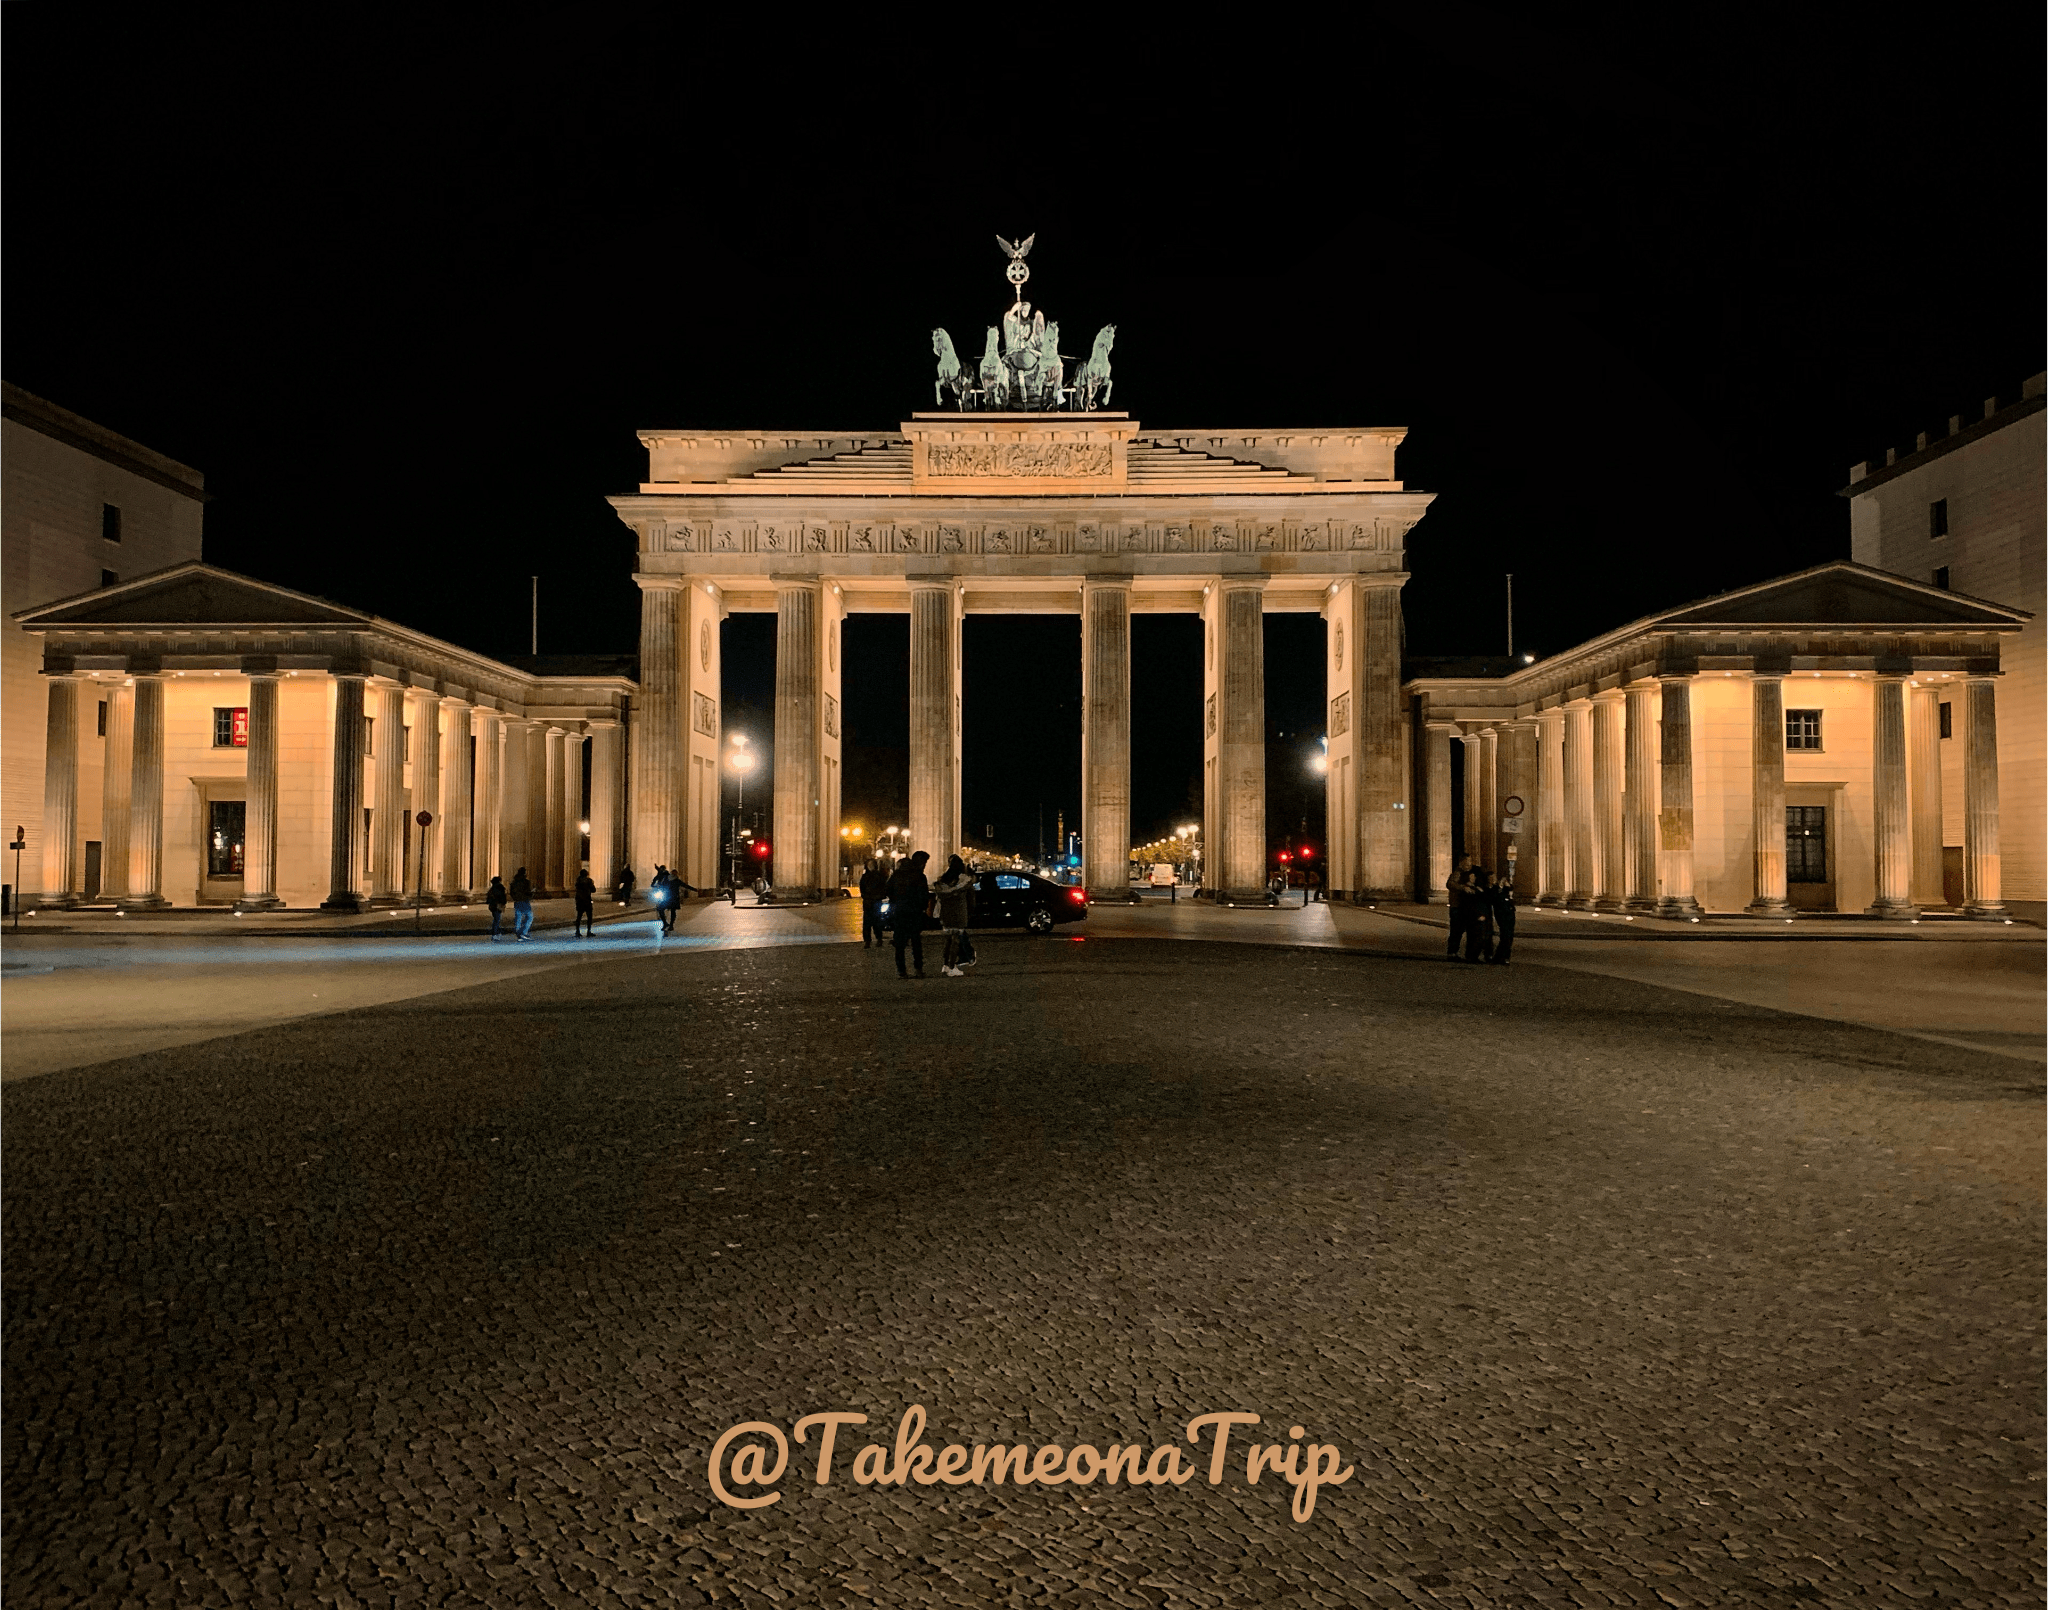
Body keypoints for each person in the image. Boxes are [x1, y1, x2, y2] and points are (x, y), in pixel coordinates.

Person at [886, 850, 932, 979]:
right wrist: (922, 907)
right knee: (916, 941)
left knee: (900, 943)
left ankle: (901, 970)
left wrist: (896, 901)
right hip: (914, 912)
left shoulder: (897, 875)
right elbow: (924, 895)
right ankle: (918, 968)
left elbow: (888, 890)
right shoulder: (919, 876)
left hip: (899, 911)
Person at [933, 854, 979, 976]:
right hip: (959, 911)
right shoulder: (964, 880)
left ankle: (945, 965)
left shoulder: (943, 879)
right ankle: (952, 967)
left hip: (946, 911)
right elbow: (970, 897)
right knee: (956, 940)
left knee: (948, 940)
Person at [1445, 855, 1477, 959]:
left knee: (1460, 930)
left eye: (1470, 863)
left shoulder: (1466, 874)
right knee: (1456, 930)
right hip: (1457, 906)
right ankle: (1452, 952)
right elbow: (1450, 884)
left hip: (1462, 906)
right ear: (1461, 863)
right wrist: (1463, 887)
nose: (1469, 865)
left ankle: (1456, 951)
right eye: (1467, 863)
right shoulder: (1457, 873)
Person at [1464, 869, 1497, 963]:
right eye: (1471, 877)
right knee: (1478, 936)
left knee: (1486, 936)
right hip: (1478, 914)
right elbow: (1474, 903)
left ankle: (1485, 955)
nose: (1473, 878)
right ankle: (1473, 956)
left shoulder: (1478, 887)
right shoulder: (1470, 889)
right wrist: (1479, 914)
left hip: (1485, 913)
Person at [857, 859, 889, 948]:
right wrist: (865, 895)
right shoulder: (866, 876)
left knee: (877, 922)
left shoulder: (879, 876)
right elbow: (862, 888)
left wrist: (879, 896)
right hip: (868, 902)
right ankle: (867, 940)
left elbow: (883, 888)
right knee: (867, 922)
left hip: (875, 901)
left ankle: (879, 939)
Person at [1489, 870, 1518, 965]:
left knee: (1509, 936)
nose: (1494, 879)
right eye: (1492, 878)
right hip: (1501, 914)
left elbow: (1510, 888)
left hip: (1509, 913)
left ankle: (1503, 956)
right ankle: (1501, 957)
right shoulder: (1493, 889)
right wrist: (1501, 886)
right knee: (1505, 935)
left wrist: (1507, 885)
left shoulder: (1500, 888)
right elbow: (1496, 898)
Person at [510, 866, 535, 940]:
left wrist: (515, 898)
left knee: (518, 918)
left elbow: (511, 892)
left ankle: (518, 934)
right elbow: (527, 892)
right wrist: (532, 893)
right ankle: (523, 932)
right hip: (524, 901)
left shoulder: (514, 882)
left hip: (517, 901)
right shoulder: (526, 882)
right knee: (529, 917)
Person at [653, 865, 680, 935]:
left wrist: (696, 890)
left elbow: (685, 885)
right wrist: (656, 886)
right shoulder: (666, 877)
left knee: (672, 911)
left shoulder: (674, 879)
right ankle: (665, 923)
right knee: (660, 908)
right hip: (668, 896)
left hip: (673, 897)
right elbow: (658, 882)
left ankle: (670, 925)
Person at [573, 867, 597, 937]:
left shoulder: (578, 881)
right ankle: (588, 931)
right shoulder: (589, 881)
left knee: (579, 916)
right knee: (589, 917)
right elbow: (593, 890)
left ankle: (577, 931)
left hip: (579, 900)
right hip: (587, 900)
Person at [485, 874, 509, 940]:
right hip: (497, 905)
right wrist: (503, 903)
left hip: (492, 906)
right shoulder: (500, 888)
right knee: (497, 920)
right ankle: (495, 933)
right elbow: (502, 897)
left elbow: (488, 899)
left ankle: (497, 933)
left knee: (496, 919)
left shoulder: (492, 889)